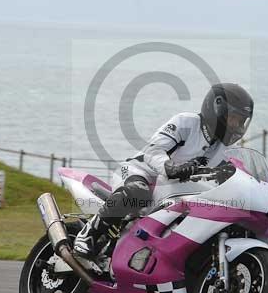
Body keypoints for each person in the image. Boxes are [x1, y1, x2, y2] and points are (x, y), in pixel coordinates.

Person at [74, 82, 254, 257]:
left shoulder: (225, 149)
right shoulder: (186, 123)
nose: (236, 125)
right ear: (217, 108)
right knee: (137, 191)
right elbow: (153, 151)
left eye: (240, 121)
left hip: (173, 189)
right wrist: (170, 167)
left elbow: (236, 172)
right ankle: (89, 234)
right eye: (233, 118)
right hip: (140, 171)